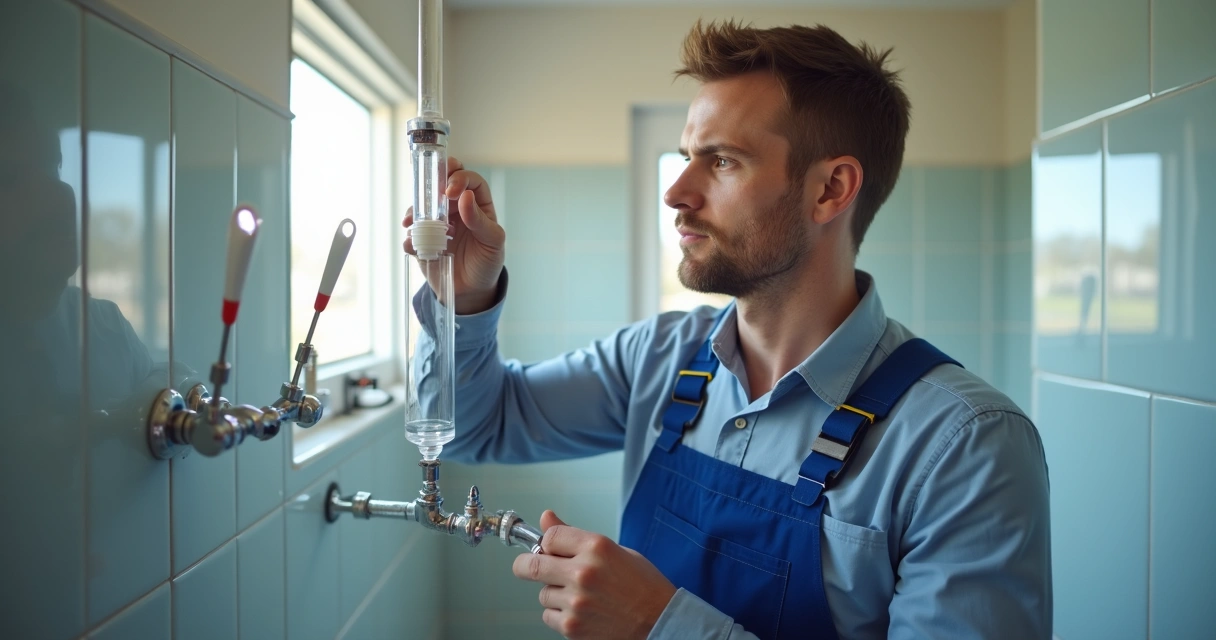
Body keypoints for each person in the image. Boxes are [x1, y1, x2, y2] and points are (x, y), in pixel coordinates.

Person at [404, 20, 1051, 640]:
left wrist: (659, 626)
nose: (676, 191)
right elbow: (469, 425)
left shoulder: (964, 447)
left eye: (721, 161)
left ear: (830, 189)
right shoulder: (659, 357)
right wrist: (463, 297)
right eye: (687, 155)